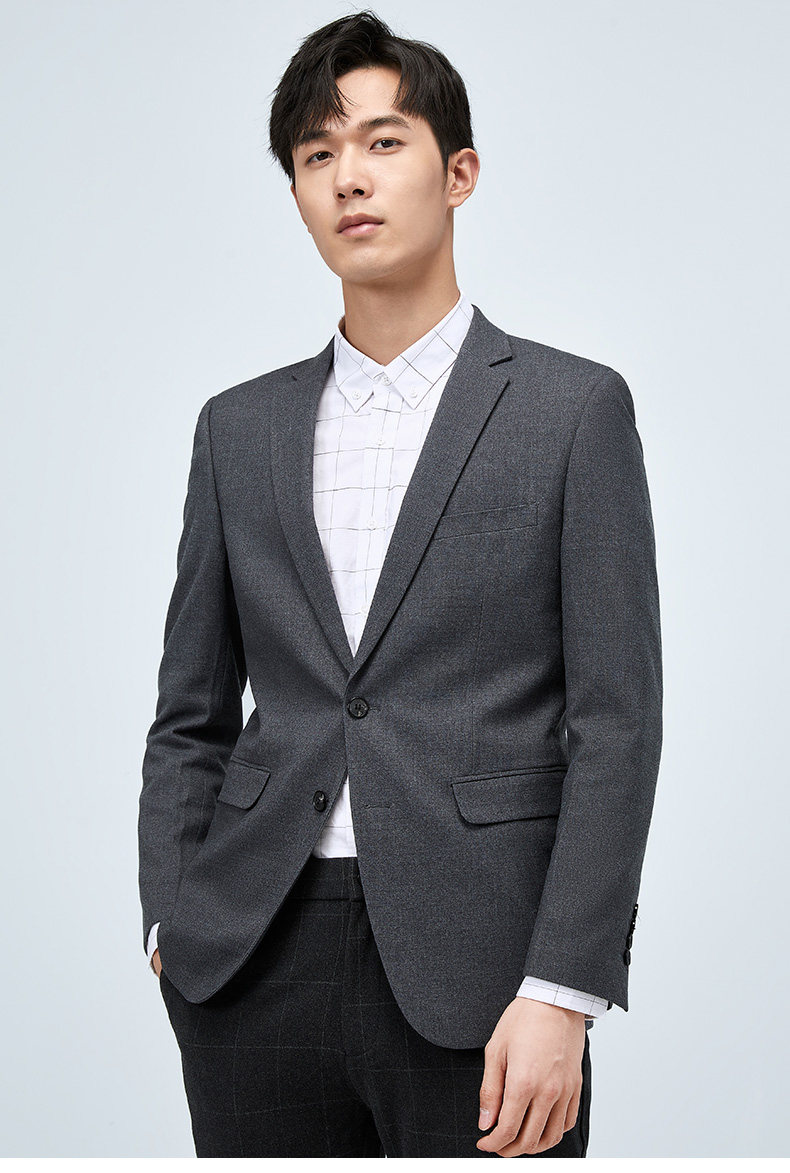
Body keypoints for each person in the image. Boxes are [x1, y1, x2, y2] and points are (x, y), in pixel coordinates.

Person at [138, 10, 662, 1158]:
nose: (348, 178)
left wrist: (563, 988)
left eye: (382, 142)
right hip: (253, 955)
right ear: (295, 192)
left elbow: (615, 725)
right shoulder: (237, 429)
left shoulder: (572, 411)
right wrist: (173, 920)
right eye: (315, 155)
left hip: (488, 967)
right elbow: (189, 715)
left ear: (457, 172)